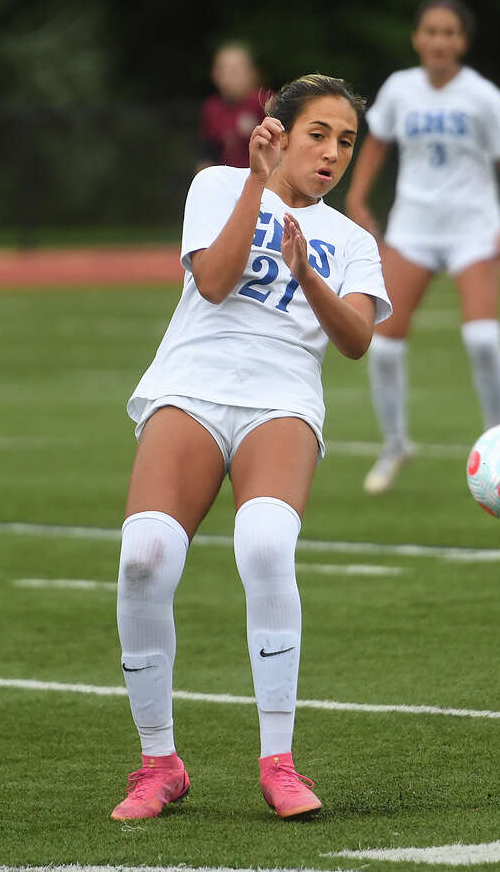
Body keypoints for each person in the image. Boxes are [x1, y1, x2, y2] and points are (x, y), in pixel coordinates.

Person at [109, 74, 390, 821]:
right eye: (318, 134)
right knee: (143, 559)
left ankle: (279, 762)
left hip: (283, 400)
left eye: (346, 141)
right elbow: (212, 280)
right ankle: (158, 764)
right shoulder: (219, 183)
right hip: (190, 389)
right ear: (279, 132)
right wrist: (257, 186)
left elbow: (358, 340)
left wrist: (307, 274)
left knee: (266, 548)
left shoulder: (352, 240)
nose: (332, 153)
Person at [345, 0, 500, 495]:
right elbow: (377, 141)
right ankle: (395, 444)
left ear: (462, 42)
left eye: (450, 32)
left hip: (473, 228)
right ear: (417, 38)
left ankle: (499, 446)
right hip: (413, 228)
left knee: (483, 339)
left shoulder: (483, 95)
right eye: (431, 31)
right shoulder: (400, 89)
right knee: (382, 344)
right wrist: (358, 199)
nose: (440, 40)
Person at [196, 41, 267, 172]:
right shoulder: (212, 109)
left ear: (252, 73)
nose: (228, 76)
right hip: (226, 183)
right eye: (222, 70)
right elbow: (208, 154)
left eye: (235, 70)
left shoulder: (265, 103)